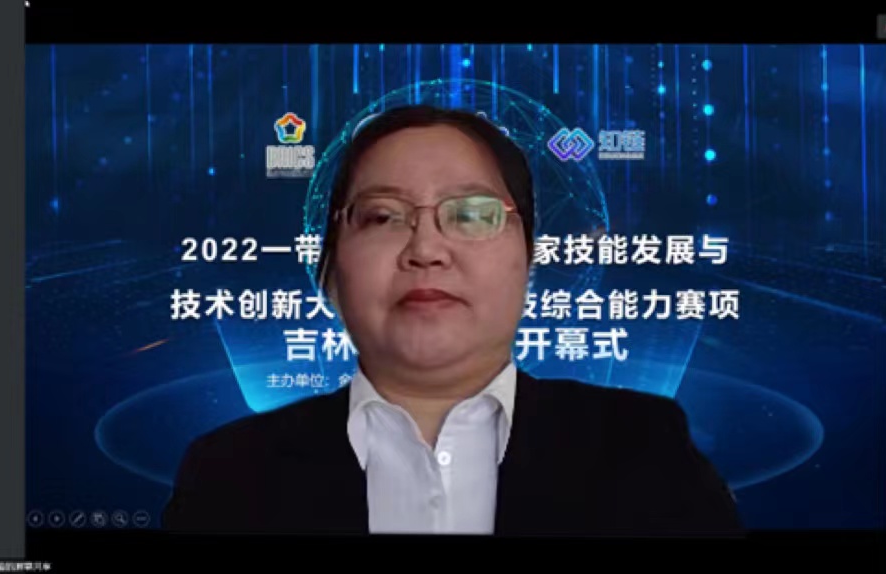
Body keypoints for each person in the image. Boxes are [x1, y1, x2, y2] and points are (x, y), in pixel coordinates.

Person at [162, 105, 743, 536]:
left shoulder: (645, 448)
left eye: (471, 214)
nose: (426, 250)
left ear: (528, 258)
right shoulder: (227, 473)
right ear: (331, 270)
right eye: (383, 216)